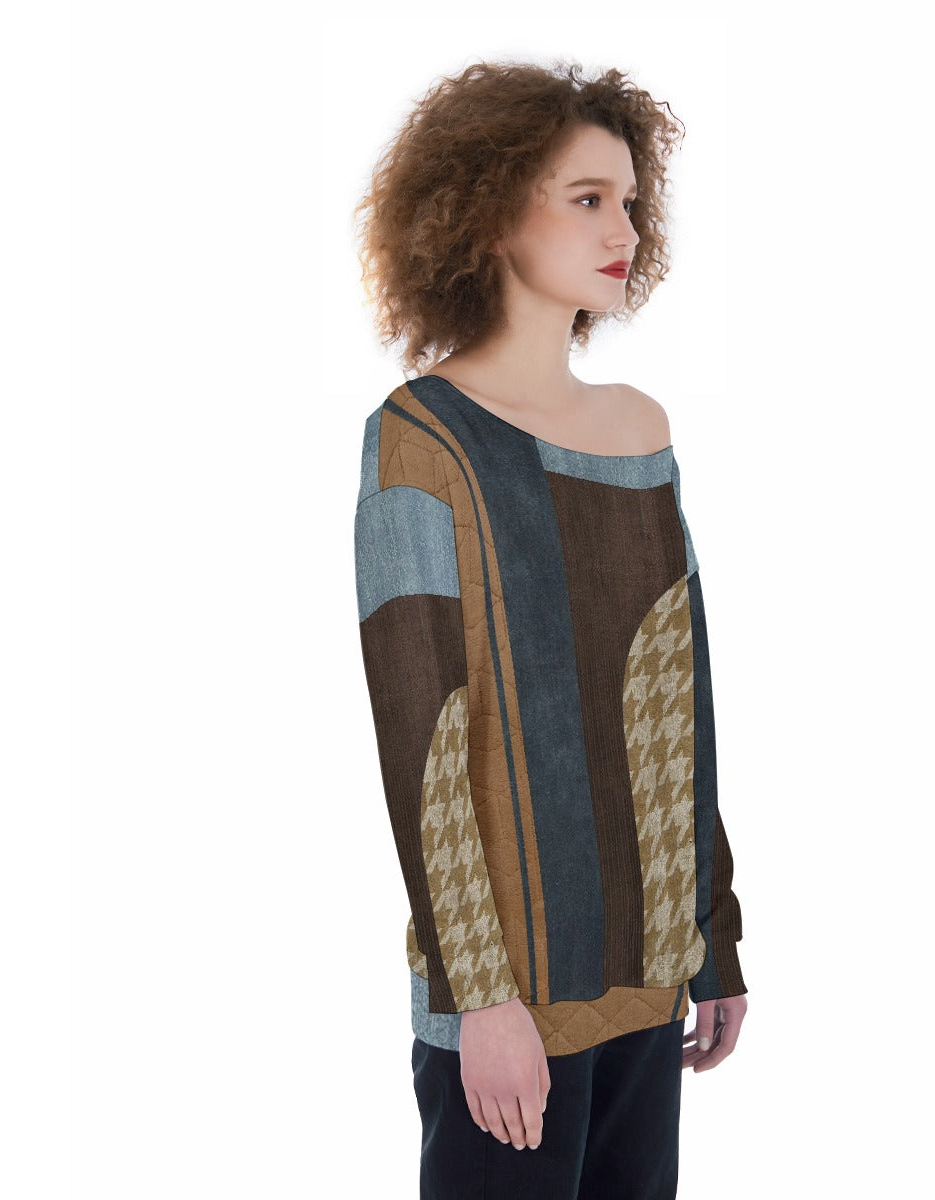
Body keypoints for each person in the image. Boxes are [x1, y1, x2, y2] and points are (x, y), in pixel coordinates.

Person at [351, 59, 748, 1199]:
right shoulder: (422, 439)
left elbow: (681, 706)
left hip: (648, 984)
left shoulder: (641, 430)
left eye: (630, 201)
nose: (624, 229)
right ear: (487, 213)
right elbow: (421, 737)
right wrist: (480, 999)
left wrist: (714, 938)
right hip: (508, 1005)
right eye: (586, 198)